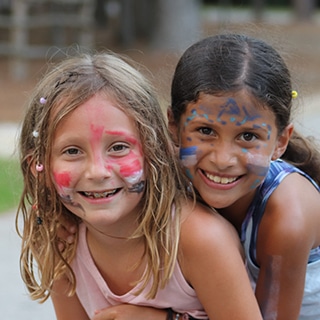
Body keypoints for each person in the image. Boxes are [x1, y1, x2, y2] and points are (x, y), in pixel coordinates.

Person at [74, 34, 320, 320]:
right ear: (174, 126)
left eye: (248, 136)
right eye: (205, 131)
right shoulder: (166, 172)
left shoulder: (287, 218)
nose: (222, 159)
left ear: (280, 142)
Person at [16, 51, 263, 320]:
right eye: (72, 151)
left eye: (119, 147)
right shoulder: (62, 241)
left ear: (155, 151)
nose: (98, 172)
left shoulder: (198, 240)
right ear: (38, 167)